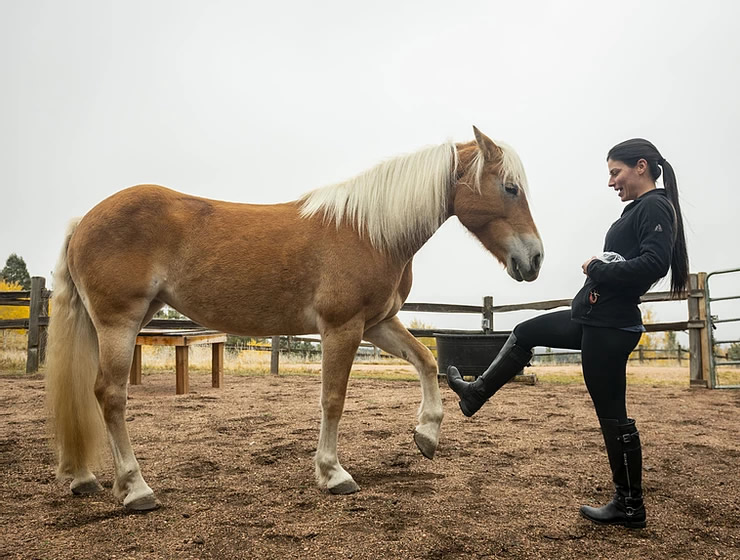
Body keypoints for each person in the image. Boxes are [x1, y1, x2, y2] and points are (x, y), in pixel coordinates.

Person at [446, 138, 689, 529]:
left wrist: (597, 267)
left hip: (610, 326)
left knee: (613, 415)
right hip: (594, 318)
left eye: (616, 172)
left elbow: (653, 264)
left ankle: (630, 504)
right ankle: (476, 393)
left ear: (640, 166)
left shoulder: (655, 206)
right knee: (525, 332)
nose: (612, 182)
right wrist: (601, 272)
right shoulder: (638, 209)